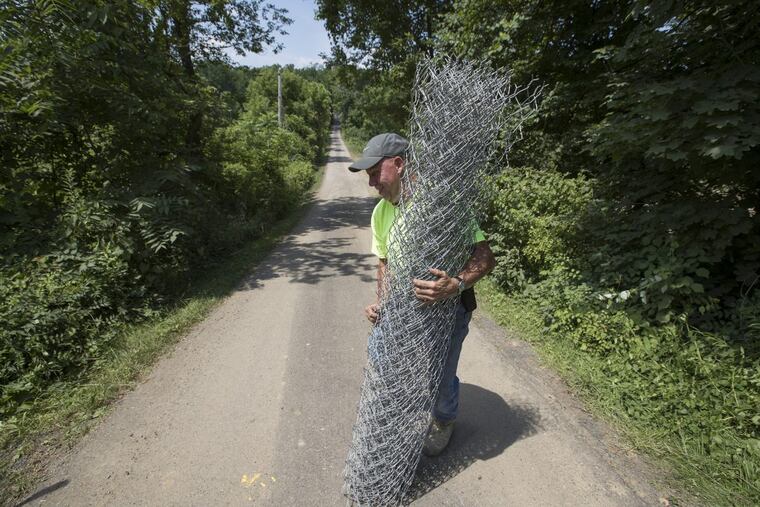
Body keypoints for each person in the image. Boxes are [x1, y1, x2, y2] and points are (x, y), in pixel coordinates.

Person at [348, 132, 496, 456]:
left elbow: (485, 258)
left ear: (398, 164)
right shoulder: (380, 213)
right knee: (384, 359)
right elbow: (384, 263)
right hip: (403, 307)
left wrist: (455, 283)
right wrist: (381, 302)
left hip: (450, 309)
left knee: (439, 375)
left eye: (375, 173)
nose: (372, 183)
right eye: (368, 176)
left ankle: (444, 419)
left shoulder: (442, 203)